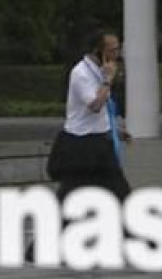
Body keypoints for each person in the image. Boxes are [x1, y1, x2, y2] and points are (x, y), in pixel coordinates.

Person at [26, 29, 132, 264]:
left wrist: (116, 129)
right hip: (81, 146)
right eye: (112, 49)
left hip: (99, 143)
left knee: (120, 192)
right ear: (97, 51)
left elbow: (103, 110)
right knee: (69, 199)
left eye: (118, 47)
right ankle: (38, 249)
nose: (117, 53)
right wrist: (107, 80)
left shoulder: (99, 71)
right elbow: (94, 105)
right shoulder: (81, 73)